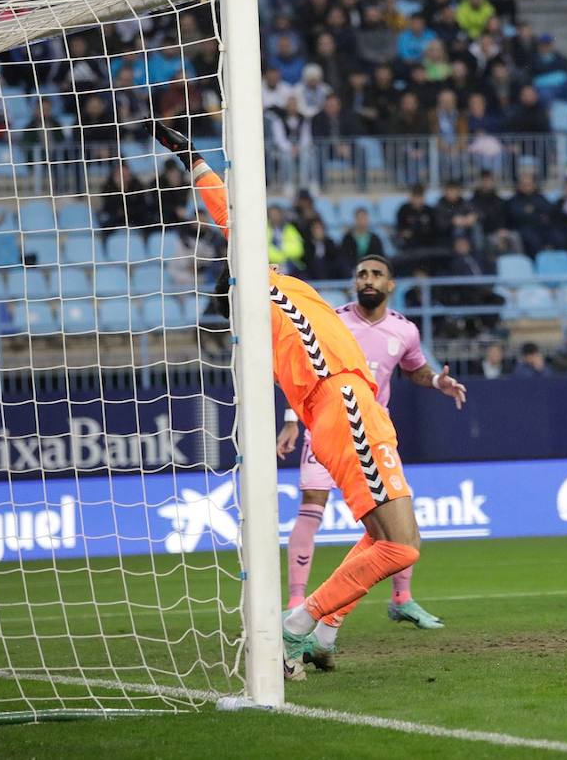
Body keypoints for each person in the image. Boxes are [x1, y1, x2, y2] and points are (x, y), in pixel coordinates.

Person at [151, 124, 444, 680]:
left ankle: (325, 632)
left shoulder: (278, 297)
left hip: (350, 408)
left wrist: (192, 158)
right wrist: (193, 159)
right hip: (345, 404)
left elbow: (227, 215)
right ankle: (297, 624)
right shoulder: (264, 292)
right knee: (402, 548)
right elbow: (229, 217)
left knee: (386, 535)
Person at [275, 254, 462, 655]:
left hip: (372, 430)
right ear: (353, 282)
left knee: (385, 531)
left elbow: (414, 369)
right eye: (361, 273)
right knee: (317, 505)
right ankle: (296, 606)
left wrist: (436, 381)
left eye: (377, 274)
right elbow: (301, 364)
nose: (368, 280)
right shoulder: (332, 318)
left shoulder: (405, 330)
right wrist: (292, 419)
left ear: (390, 284)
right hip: (329, 422)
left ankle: (343, 623)